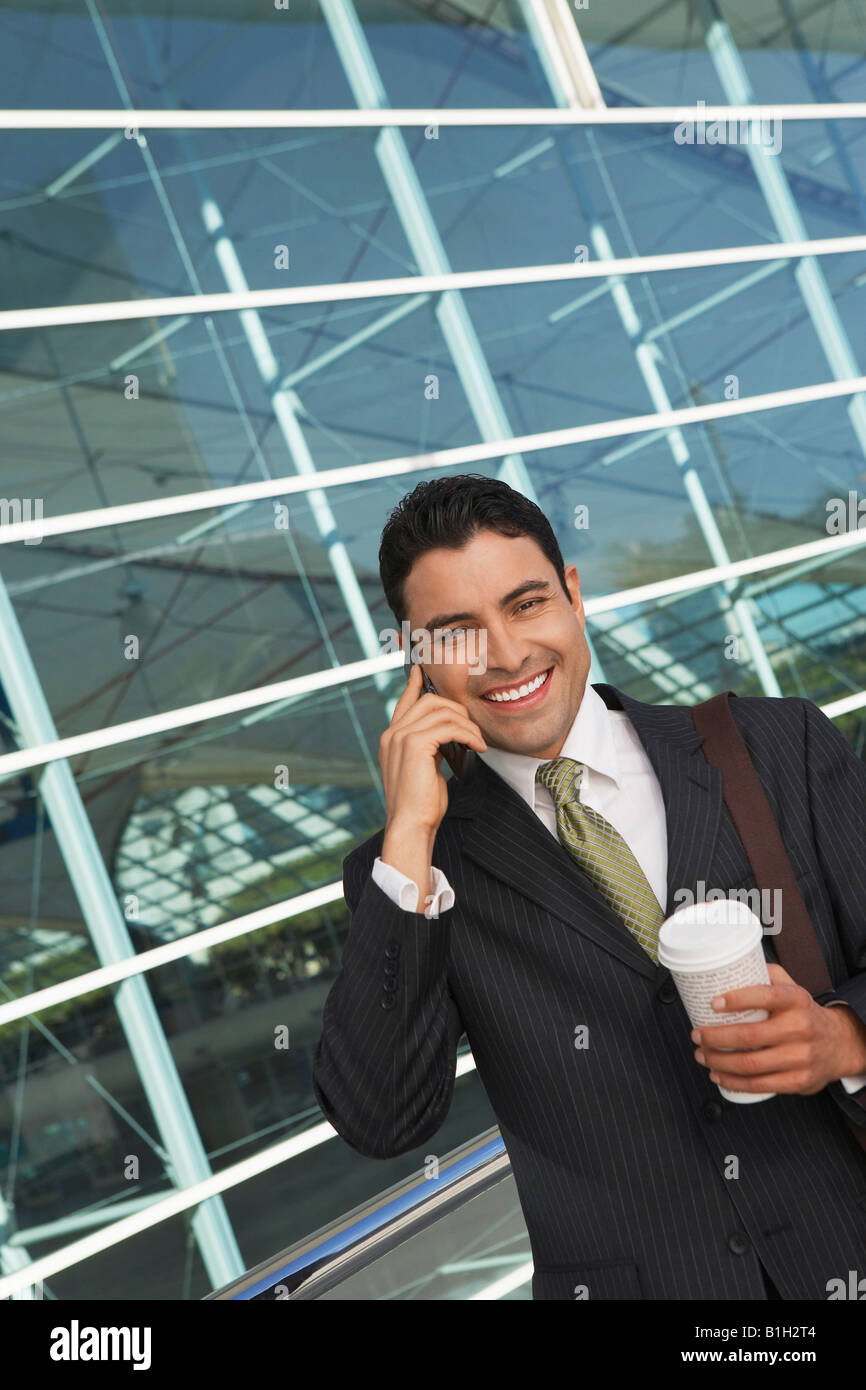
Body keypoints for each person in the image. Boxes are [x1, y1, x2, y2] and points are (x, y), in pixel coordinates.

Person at [312, 475, 866, 1301]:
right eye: (456, 633)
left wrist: (845, 1041)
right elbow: (382, 1117)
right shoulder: (412, 871)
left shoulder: (772, 745)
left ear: (573, 596)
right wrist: (410, 836)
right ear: (414, 655)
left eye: (526, 604)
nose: (504, 655)